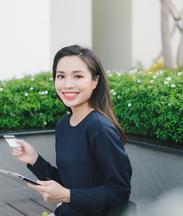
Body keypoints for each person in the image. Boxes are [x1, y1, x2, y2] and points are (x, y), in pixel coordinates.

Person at [12, 45, 132, 215]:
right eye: (61, 76)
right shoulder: (63, 125)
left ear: (95, 81)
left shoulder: (99, 128)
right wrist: (34, 159)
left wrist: (67, 195)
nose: (68, 84)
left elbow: (120, 192)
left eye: (78, 76)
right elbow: (68, 183)